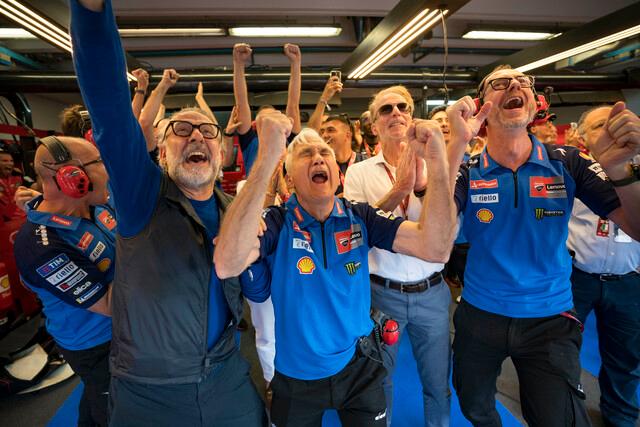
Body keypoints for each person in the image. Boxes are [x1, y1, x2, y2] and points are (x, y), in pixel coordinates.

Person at [70, 1, 268, 425]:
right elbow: (109, 108)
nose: (196, 135)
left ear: (221, 153)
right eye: (181, 129)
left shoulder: (234, 211)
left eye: (207, 130)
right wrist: (90, 12)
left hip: (226, 375)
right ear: (161, 151)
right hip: (149, 389)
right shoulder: (141, 194)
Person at [214, 111, 455, 426]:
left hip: (359, 368)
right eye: (306, 154)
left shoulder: (360, 216)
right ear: (289, 179)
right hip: (296, 377)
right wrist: (267, 157)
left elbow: (436, 248)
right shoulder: (276, 222)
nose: (318, 157)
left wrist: (438, 161)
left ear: (339, 176)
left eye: (324, 152)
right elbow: (227, 263)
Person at [446, 65, 640, 427]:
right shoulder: (467, 170)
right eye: (500, 83)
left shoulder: (567, 162)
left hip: (549, 316)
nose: (515, 85)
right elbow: (437, 242)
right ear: (480, 107)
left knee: (557, 419)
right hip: (480, 313)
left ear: (536, 104)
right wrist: (455, 145)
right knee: (474, 405)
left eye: (523, 81)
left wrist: (619, 169)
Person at [344, 86, 453, 427]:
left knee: (438, 381)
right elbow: (355, 234)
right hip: (382, 294)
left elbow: (450, 226)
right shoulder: (358, 173)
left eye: (402, 107)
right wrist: (401, 189)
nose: (396, 113)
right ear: (373, 124)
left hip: (432, 292)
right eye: (386, 109)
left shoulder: (438, 167)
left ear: (411, 115)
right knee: (380, 378)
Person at [14, 136, 113, 427]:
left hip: (117, 332)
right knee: (114, 410)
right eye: (99, 162)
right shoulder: (41, 246)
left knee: (96, 400)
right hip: (95, 346)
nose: (108, 169)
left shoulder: (94, 206)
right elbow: (110, 304)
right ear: (71, 177)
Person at [567, 105, 640, 427]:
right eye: (600, 126)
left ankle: (620, 417)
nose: (611, 130)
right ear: (581, 138)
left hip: (628, 280)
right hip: (577, 278)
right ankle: (566, 413)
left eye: (617, 123)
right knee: (562, 352)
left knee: (626, 357)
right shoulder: (570, 172)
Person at [233, 42, 301, 175]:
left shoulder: (288, 139)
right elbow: (241, 102)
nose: (271, 122)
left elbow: (293, 104)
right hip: (259, 189)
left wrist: (296, 62)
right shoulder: (251, 142)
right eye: (265, 120)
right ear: (255, 125)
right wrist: (238, 63)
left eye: (274, 117)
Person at [319, 114, 367, 196]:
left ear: (347, 135)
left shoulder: (366, 162)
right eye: (322, 132)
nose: (324, 135)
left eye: (330, 130)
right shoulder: (320, 166)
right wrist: (336, 200)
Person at [0, 150, 26, 221]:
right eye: (5, 161)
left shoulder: (17, 176)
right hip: (7, 221)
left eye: (11, 161)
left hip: (26, 215)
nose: (10, 163)